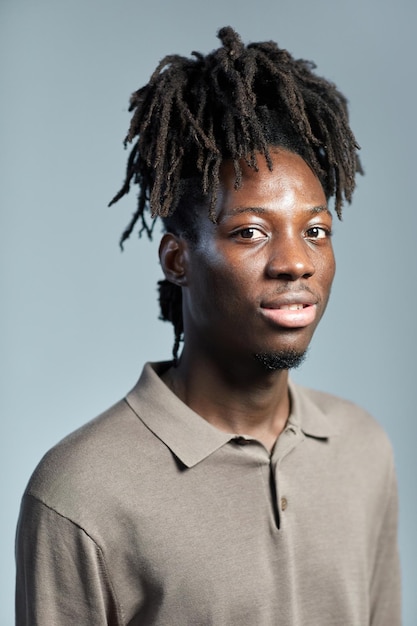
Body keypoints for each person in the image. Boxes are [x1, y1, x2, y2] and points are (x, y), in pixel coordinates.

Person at [15, 26, 401, 625]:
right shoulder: (79, 491)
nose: (296, 261)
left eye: (316, 231)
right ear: (177, 260)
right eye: (250, 232)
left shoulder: (363, 449)